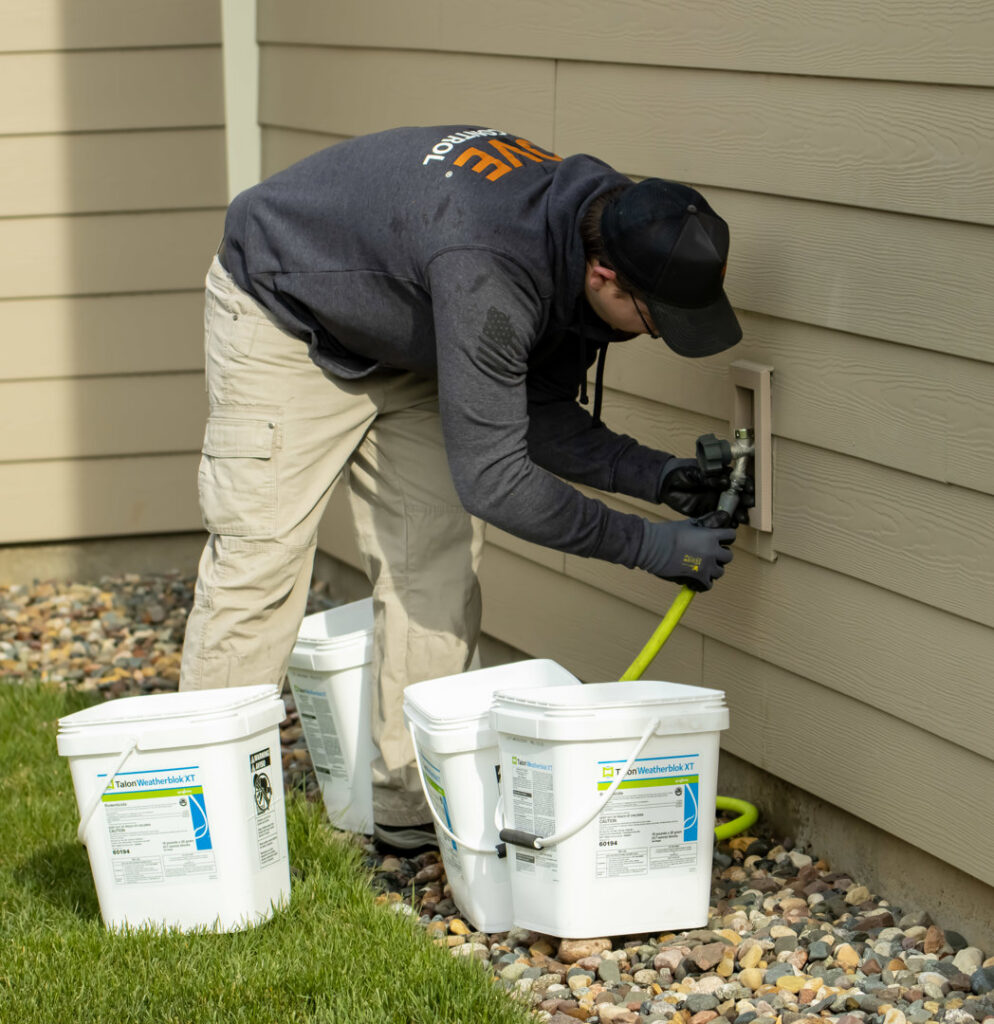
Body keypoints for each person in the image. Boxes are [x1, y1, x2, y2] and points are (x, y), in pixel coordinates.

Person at [179, 124, 748, 849]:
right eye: (656, 321)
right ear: (604, 278)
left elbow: (532, 410)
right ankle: (204, 833)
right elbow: (499, 479)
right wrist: (647, 545)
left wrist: (658, 477)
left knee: (434, 565)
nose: (658, 335)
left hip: (416, 324)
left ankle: (409, 815)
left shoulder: (607, 224)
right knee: (259, 568)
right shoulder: (492, 268)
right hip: (288, 313)